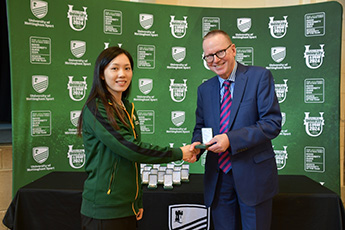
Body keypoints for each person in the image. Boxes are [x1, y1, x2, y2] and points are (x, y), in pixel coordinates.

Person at [77, 46, 197, 230]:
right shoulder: (96, 108)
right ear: (102, 74)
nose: (122, 74)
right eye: (114, 68)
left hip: (127, 208)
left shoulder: (127, 108)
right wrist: (179, 153)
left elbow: (132, 163)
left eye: (127, 68)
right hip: (104, 210)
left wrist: (136, 201)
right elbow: (130, 148)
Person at [190, 30, 282, 230]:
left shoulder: (259, 77)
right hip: (218, 178)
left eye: (220, 52)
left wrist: (230, 140)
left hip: (254, 178)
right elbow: (201, 127)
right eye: (209, 56)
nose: (215, 60)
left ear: (233, 50)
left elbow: (271, 123)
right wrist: (197, 145)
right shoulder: (204, 90)